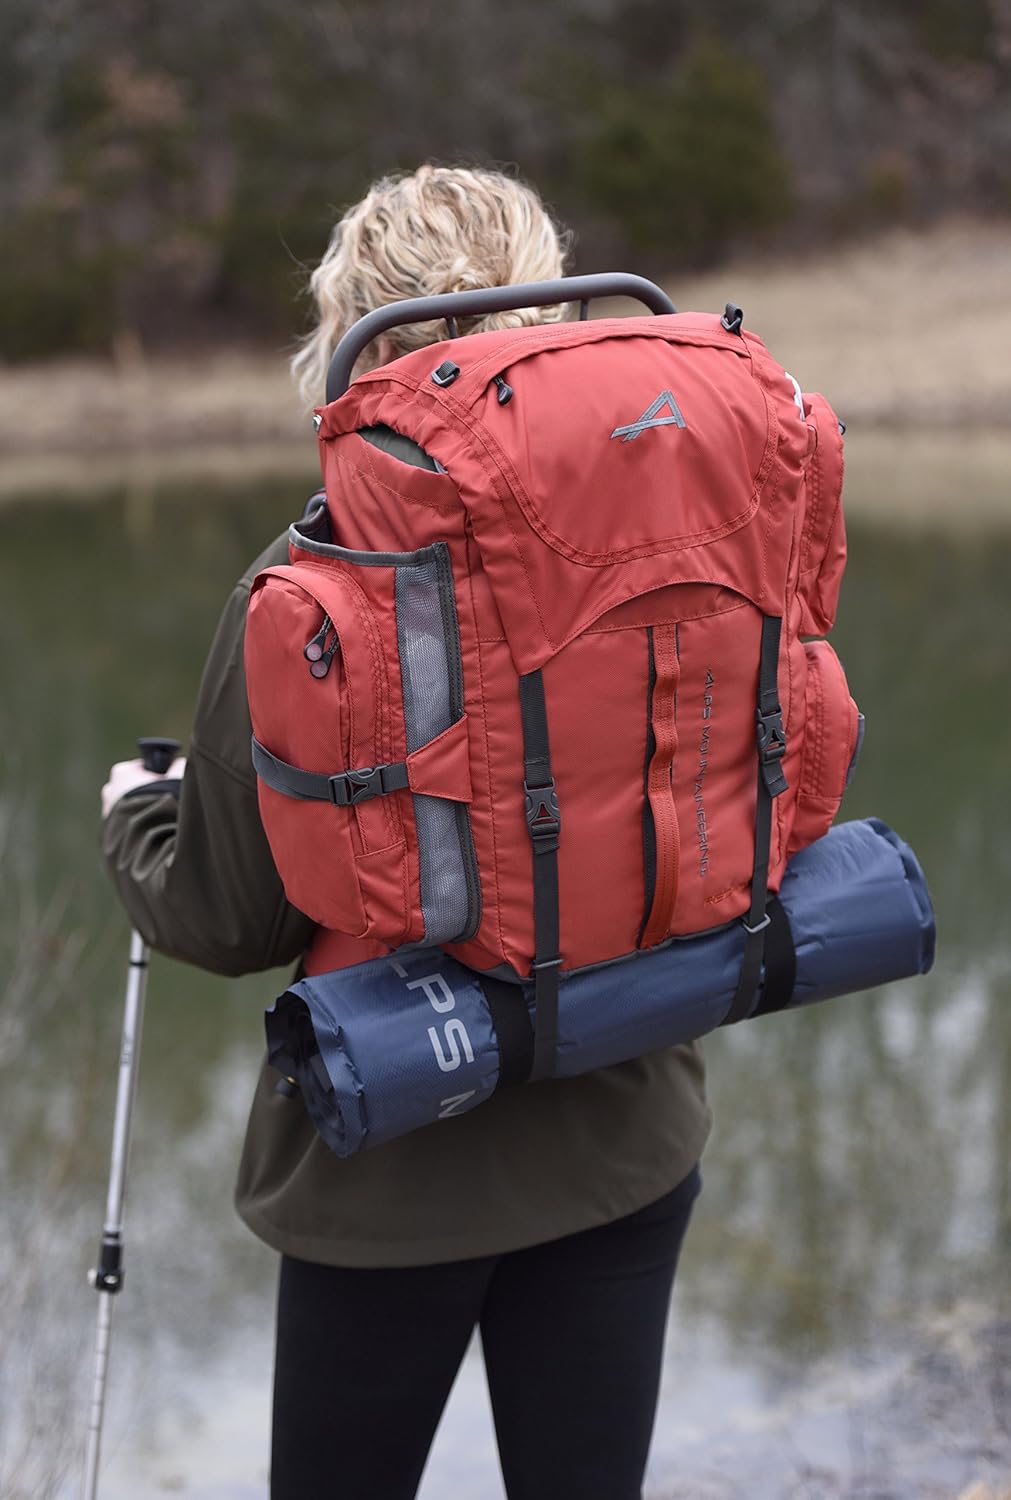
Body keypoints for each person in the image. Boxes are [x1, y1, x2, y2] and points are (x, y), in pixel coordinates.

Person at [102, 164, 710, 1500]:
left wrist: (137, 819)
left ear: (352, 334)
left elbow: (229, 917)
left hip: (389, 1156)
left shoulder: (307, 584)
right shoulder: (667, 533)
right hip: (625, 1119)